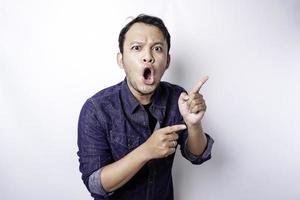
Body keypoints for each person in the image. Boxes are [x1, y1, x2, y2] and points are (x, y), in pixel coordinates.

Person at [77, 14, 214, 200]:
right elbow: (96, 184)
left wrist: (194, 124)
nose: (148, 57)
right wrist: (146, 151)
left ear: (167, 61)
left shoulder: (177, 98)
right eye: (137, 48)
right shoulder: (96, 109)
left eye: (157, 49)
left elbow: (197, 156)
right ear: (121, 60)